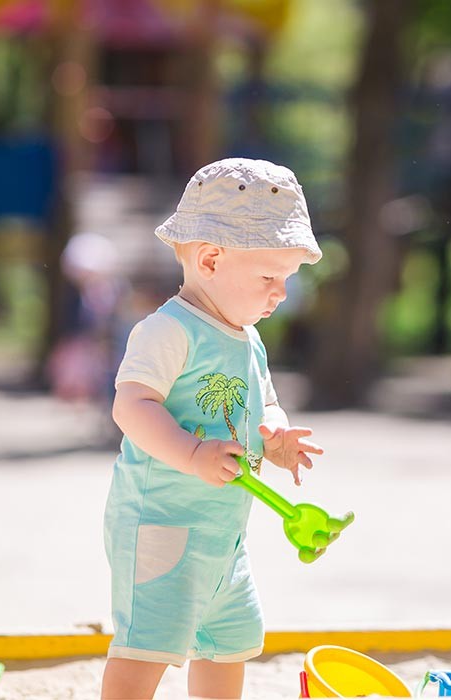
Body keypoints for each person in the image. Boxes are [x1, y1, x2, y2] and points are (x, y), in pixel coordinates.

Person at [101, 158, 325, 700]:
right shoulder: (167, 330)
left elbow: (264, 403)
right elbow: (131, 406)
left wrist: (276, 438)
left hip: (223, 535)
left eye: (287, 280)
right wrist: (192, 452)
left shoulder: (248, 339)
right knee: (147, 645)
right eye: (270, 277)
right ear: (209, 259)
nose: (281, 294)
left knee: (230, 641)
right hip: (161, 525)